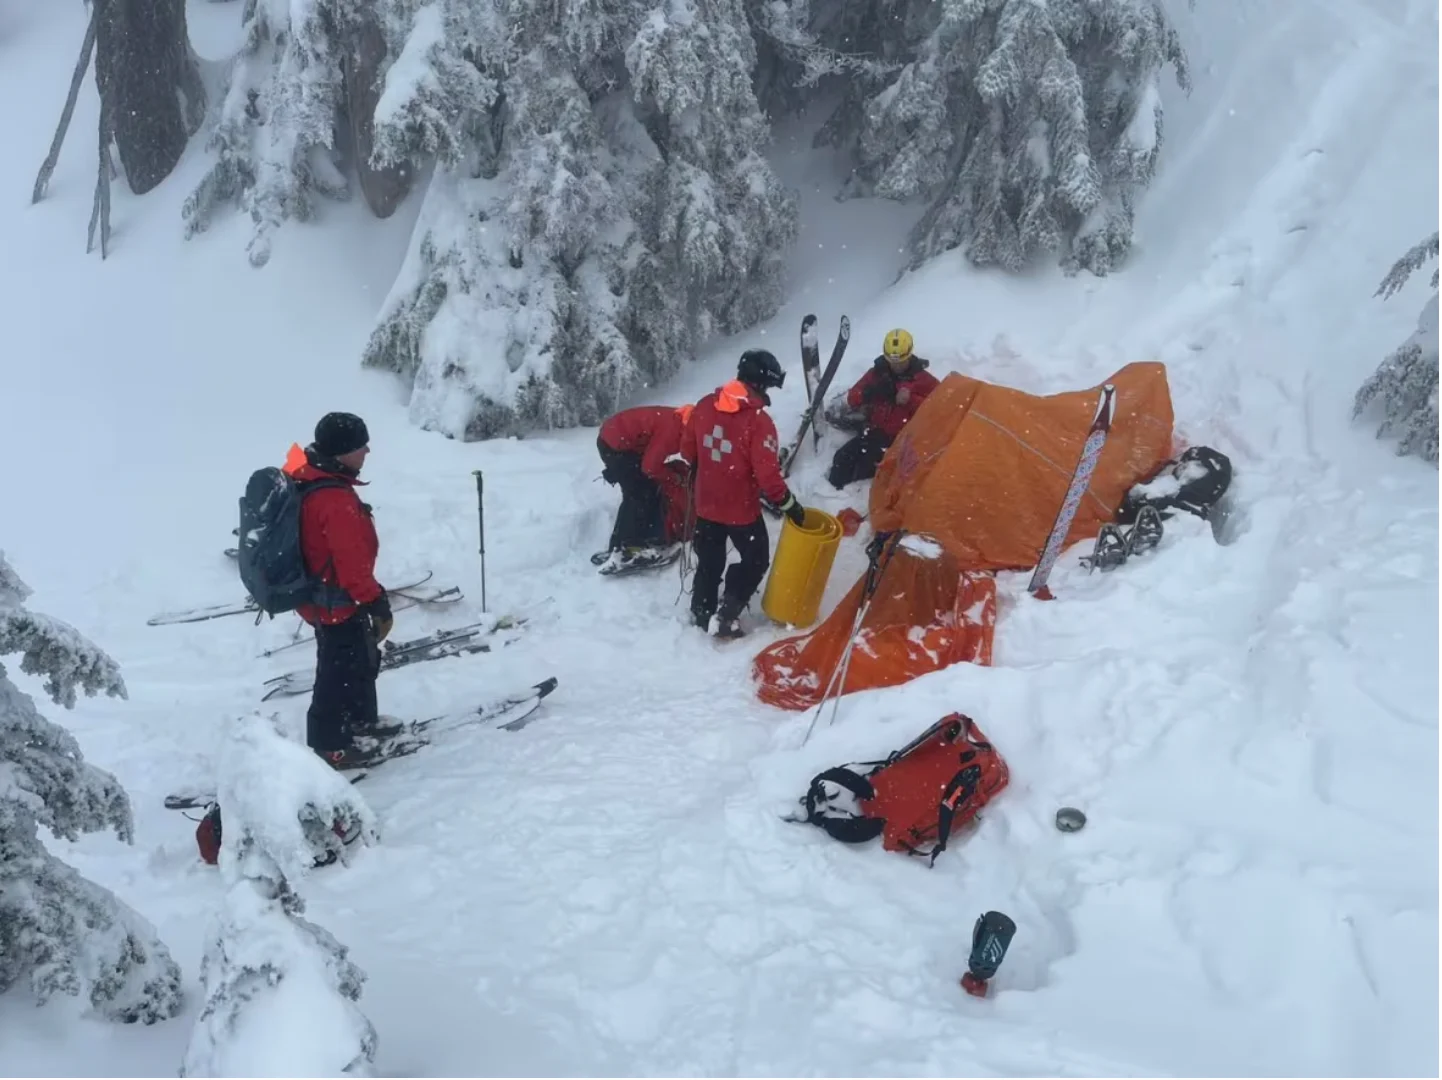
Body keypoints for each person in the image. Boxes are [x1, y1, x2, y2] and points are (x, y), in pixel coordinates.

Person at [283, 411, 393, 769]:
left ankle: (360, 724)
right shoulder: (333, 500)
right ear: (343, 452)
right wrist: (377, 602)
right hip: (335, 600)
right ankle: (331, 745)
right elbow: (351, 564)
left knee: (357, 660)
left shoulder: (310, 476)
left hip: (325, 596)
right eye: (361, 446)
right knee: (337, 672)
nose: (367, 452)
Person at [679, 350, 806, 638]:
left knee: (709, 562)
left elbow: (688, 451)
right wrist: (790, 505)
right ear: (761, 382)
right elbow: (768, 477)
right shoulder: (759, 423)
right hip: (740, 510)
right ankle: (726, 613)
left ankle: (702, 612)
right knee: (756, 560)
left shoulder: (704, 405)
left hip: (706, 504)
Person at [827, 328, 939, 488]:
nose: (896, 366)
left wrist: (911, 400)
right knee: (841, 458)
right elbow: (853, 397)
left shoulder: (923, 380)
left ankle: (848, 495)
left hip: (901, 441)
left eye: (901, 361)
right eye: (892, 361)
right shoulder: (877, 373)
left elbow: (938, 409)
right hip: (874, 432)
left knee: (864, 467)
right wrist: (870, 392)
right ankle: (831, 496)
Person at [596, 404, 694, 565]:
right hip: (614, 446)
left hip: (621, 442)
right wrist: (673, 477)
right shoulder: (673, 431)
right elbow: (650, 467)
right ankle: (627, 548)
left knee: (647, 489)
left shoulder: (681, 421)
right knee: (638, 495)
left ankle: (634, 540)